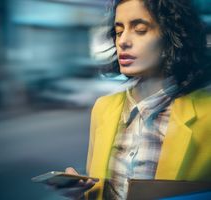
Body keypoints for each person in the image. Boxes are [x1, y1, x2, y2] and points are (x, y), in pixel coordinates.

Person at [47, 0, 211, 199]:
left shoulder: (207, 114)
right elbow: (95, 190)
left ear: (171, 38)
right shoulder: (103, 108)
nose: (123, 41)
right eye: (118, 31)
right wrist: (79, 191)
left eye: (140, 29)